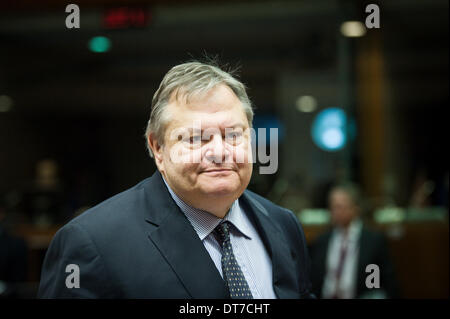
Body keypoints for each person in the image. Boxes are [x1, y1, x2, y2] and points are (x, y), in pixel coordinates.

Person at [38, 61, 314, 299]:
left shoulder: (282, 225)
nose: (219, 151)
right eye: (196, 138)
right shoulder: (91, 243)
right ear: (157, 147)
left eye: (233, 134)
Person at [309, 183, 399, 299]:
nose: (335, 212)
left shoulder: (372, 242)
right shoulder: (322, 241)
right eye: (333, 207)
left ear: (355, 208)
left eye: (340, 207)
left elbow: (378, 284)